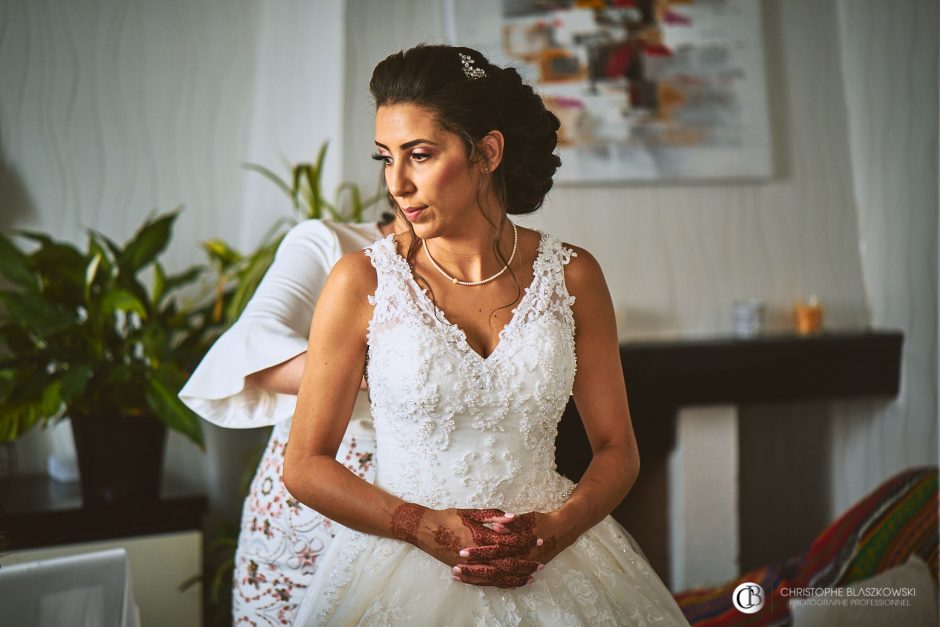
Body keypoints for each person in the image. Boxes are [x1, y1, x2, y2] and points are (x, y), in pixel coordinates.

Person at [283, 44, 689, 625]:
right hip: (402, 568)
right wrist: (422, 527)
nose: (396, 183)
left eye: (419, 155)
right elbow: (305, 464)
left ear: (487, 152)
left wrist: (556, 532)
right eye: (385, 157)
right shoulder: (362, 280)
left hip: (556, 559)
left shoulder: (574, 274)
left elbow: (617, 449)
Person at [179, 217, 393, 625]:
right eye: (389, 156)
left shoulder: (503, 266)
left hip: (428, 512)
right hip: (310, 520)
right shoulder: (332, 244)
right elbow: (252, 348)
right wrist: (387, 370)